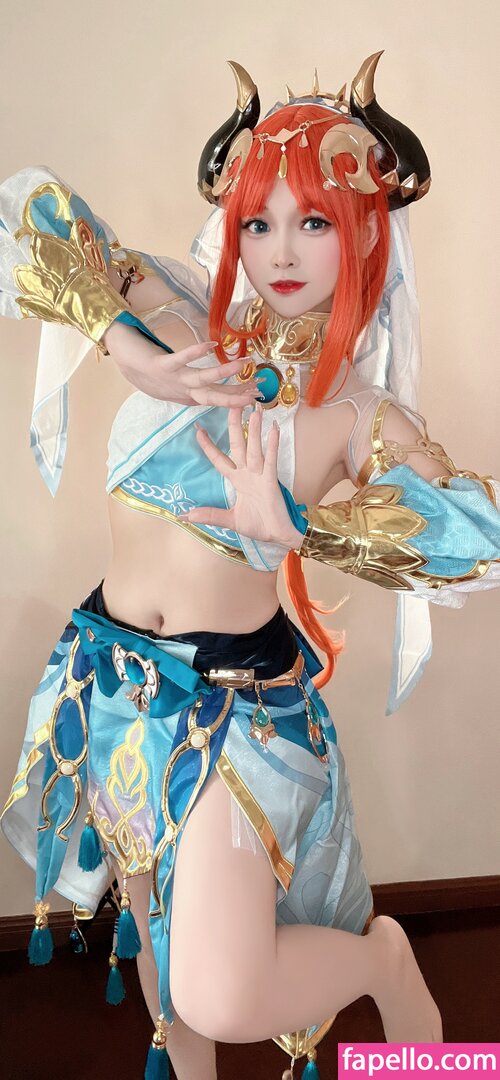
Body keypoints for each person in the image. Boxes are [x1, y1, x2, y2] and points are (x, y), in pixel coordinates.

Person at [1, 52, 499, 1080]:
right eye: (258, 221)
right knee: (158, 957)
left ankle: (385, 962)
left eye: (314, 221)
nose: (281, 250)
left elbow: (478, 536)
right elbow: (28, 213)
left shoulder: (359, 415)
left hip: (235, 711)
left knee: (220, 992)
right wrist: (124, 346)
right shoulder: (179, 307)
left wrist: (307, 530)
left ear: (363, 232)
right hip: (111, 679)